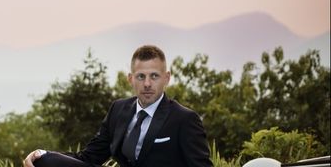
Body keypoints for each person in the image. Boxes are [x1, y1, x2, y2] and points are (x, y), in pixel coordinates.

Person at [23, 45, 213, 167]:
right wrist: (41, 154)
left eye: (154, 76)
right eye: (141, 76)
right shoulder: (118, 109)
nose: (147, 84)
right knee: (45, 161)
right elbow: (89, 158)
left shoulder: (184, 119)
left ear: (166, 78)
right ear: (130, 79)